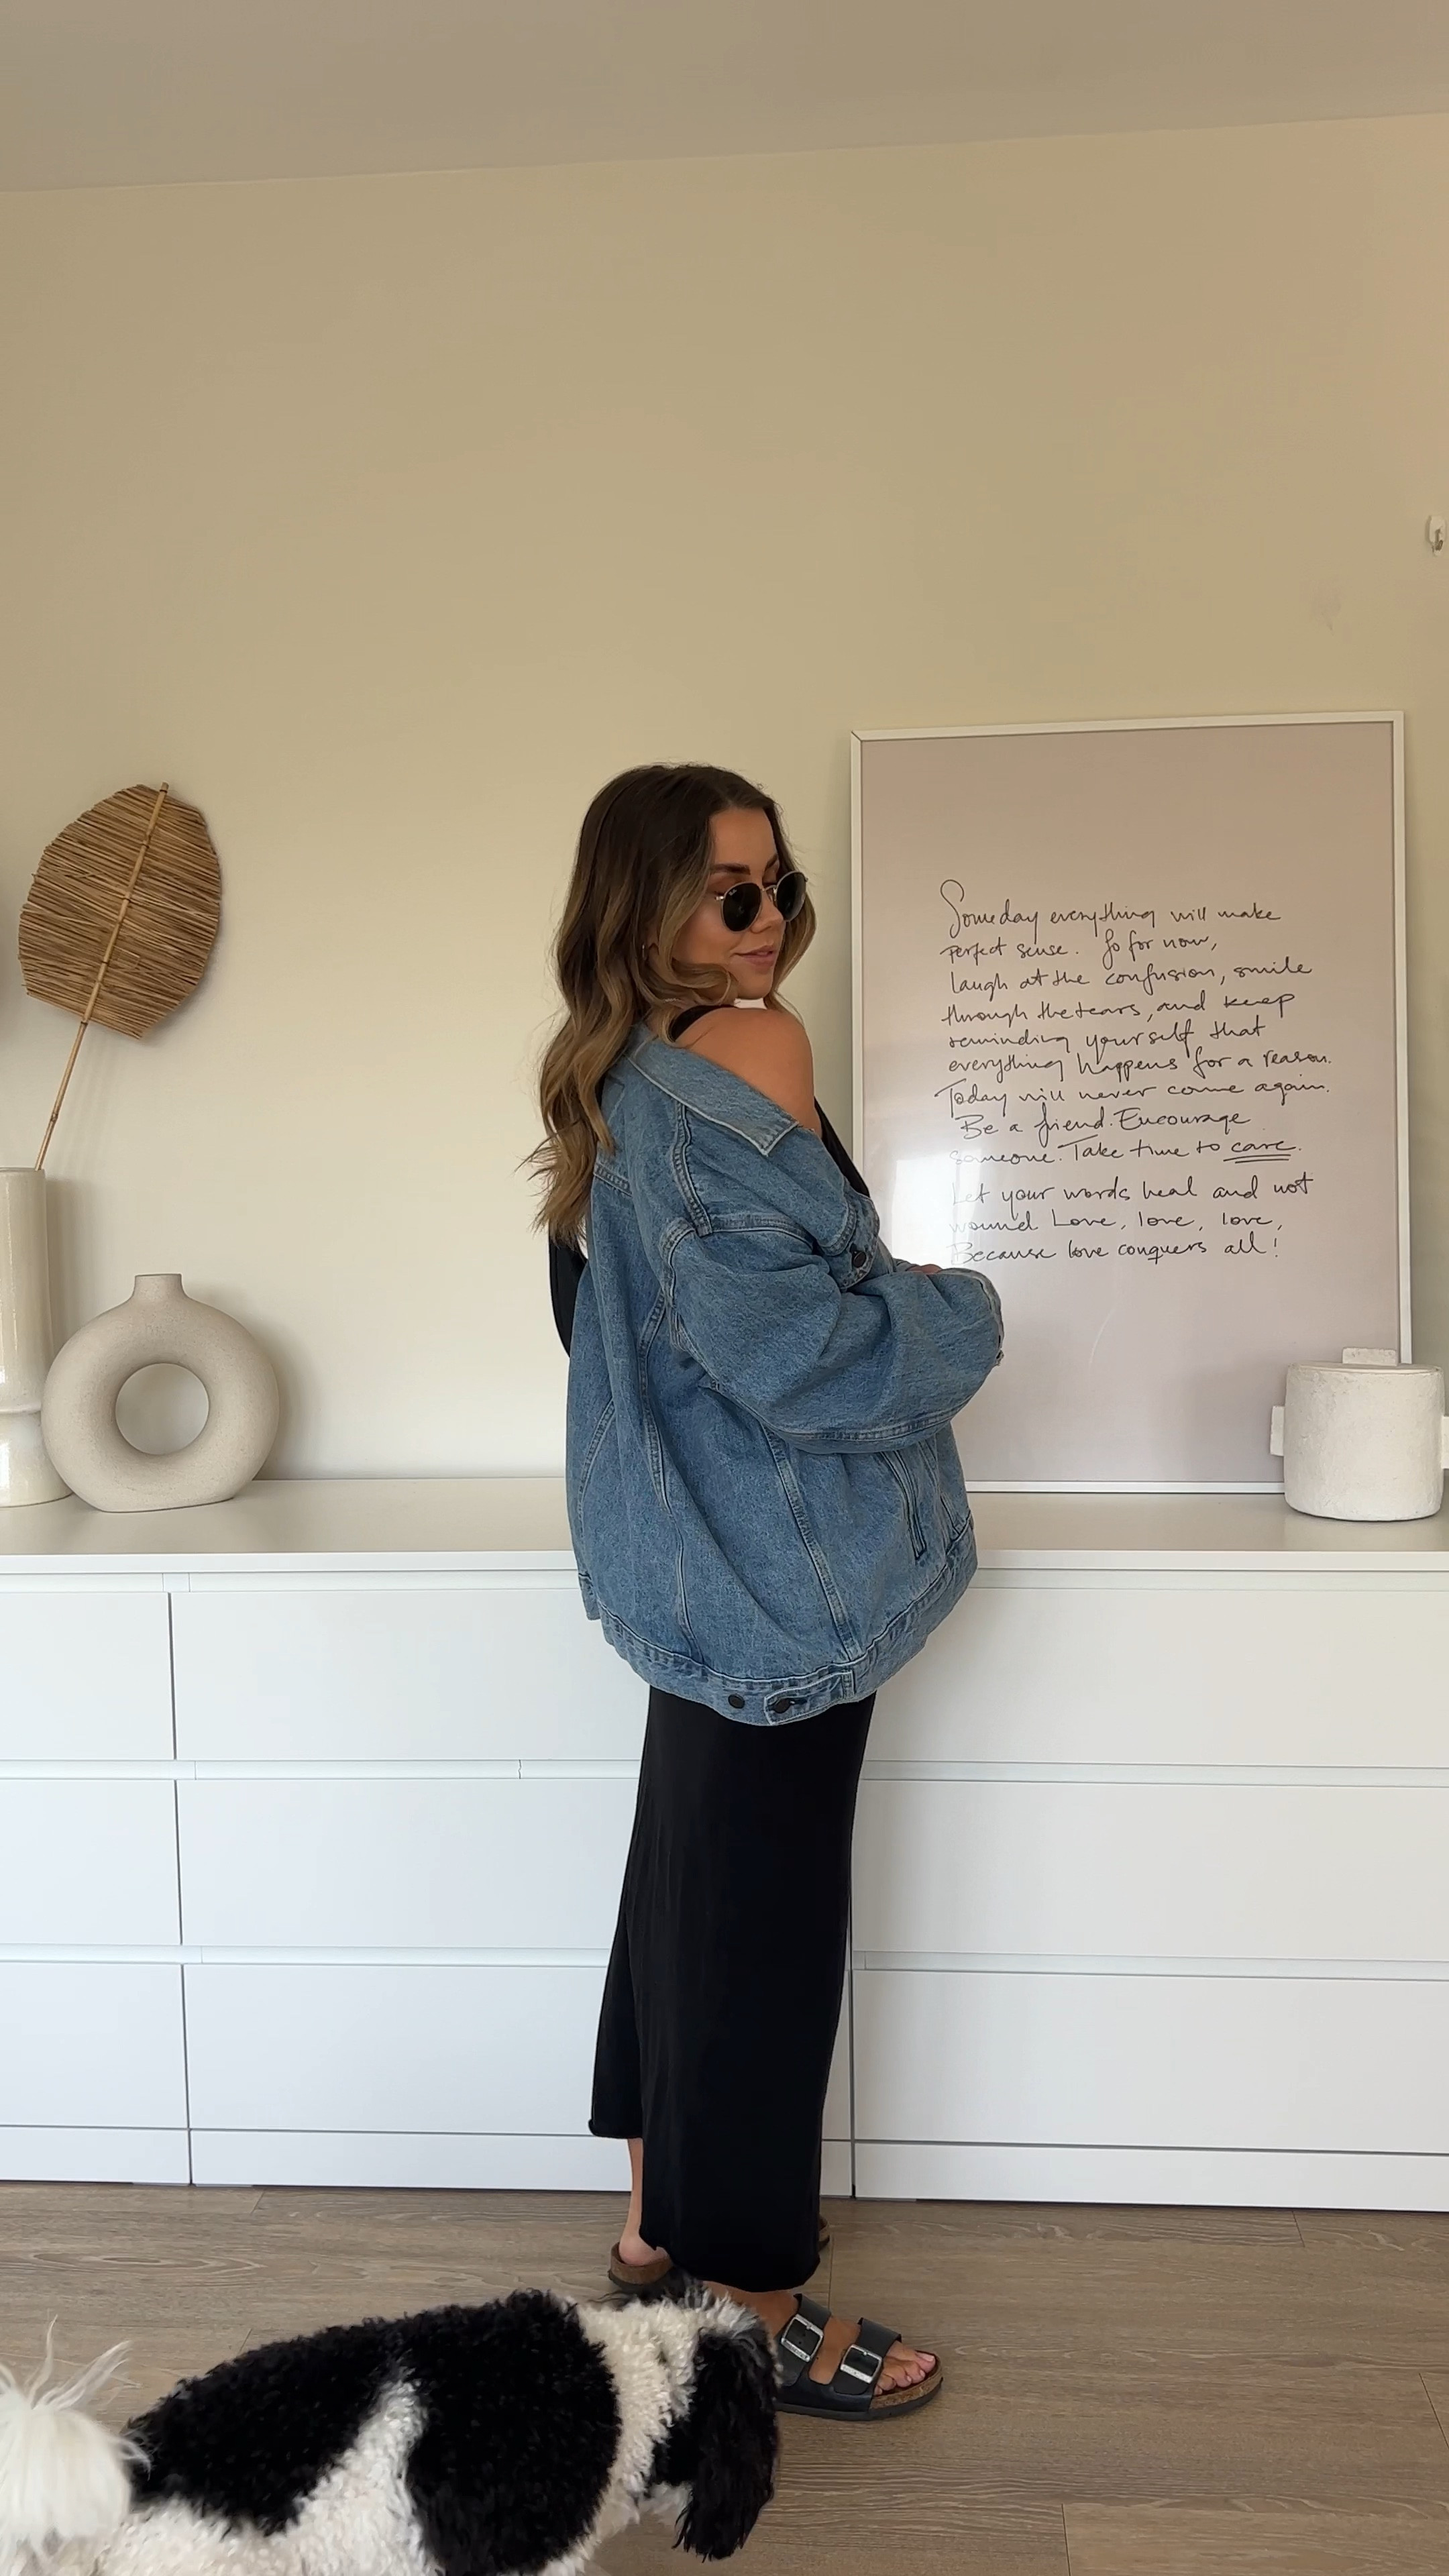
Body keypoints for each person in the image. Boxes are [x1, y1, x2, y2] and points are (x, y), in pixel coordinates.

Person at [532, 763, 1002, 2422]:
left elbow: (627, 1347)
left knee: (686, 1890)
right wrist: (959, 1315)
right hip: (786, 1586)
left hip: (689, 1578)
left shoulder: (607, 1089)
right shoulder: (751, 1054)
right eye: (735, 893)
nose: (772, 921)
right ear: (646, 906)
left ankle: (660, 2227)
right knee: (765, 1934)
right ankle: (759, 2303)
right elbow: (800, 1349)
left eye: (781, 887)